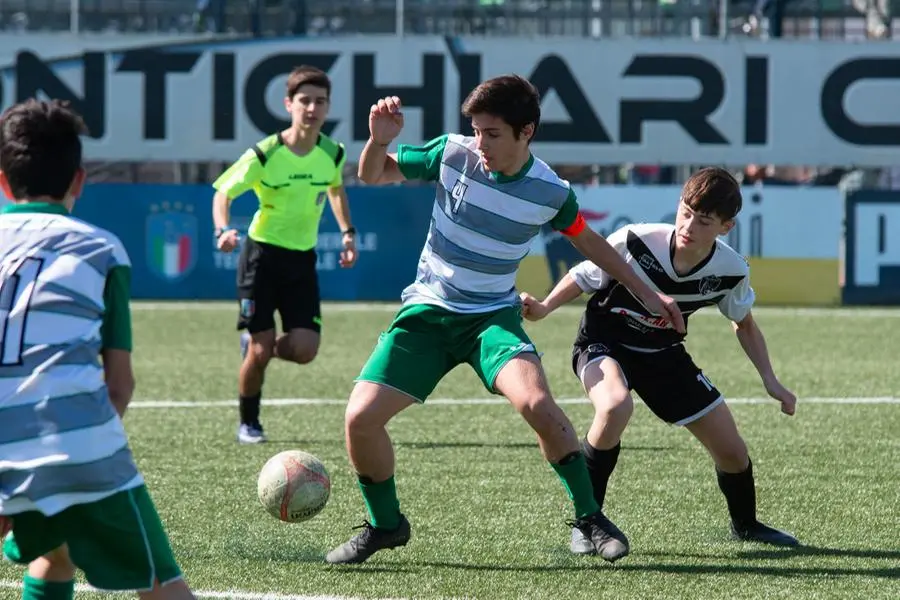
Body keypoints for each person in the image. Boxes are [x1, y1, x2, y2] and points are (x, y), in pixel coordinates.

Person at [324, 75, 686, 565]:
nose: (481, 143)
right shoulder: (451, 153)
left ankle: (589, 516)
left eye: (492, 134)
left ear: (526, 132)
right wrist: (379, 140)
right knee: (360, 420)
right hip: (428, 312)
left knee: (537, 403)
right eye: (476, 130)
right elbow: (373, 174)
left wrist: (648, 292)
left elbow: (593, 246)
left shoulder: (550, 192)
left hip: (492, 317)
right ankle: (386, 525)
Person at [520, 167, 800, 560]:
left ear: (725, 226)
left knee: (733, 451)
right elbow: (584, 277)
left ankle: (747, 525)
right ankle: (589, 519)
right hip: (603, 344)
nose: (688, 225)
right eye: (685, 212)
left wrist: (771, 380)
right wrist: (545, 307)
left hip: (663, 356)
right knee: (615, 405)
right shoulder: (637, 240)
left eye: (702, 221)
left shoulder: (731, 270)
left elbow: (744, 324)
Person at [0, 99, 196, 599]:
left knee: (55, 553)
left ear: (2, 181)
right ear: (79, 182)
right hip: (74, 440)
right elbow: (119, 385)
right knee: (163, 586)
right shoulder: (100, 248)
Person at [212, 65, 358, 444]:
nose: (312, 108)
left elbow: (336, 190)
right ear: (288, 104)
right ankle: (249, 421)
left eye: (320, 101)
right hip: (260, 259)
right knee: (260, 352)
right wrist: (222, 230)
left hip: (301, 260)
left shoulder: (333, 153)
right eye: (304, 100)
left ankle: (256, 346)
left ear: (328, 107)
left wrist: (347, 233)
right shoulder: (265, 153)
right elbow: (223, 193)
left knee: (305, 350)